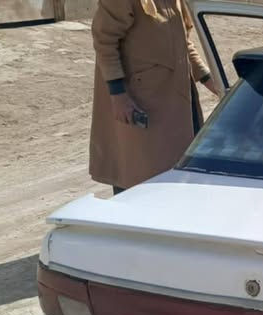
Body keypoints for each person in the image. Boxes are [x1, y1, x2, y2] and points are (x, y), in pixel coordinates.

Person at [89, 0, 224, 194]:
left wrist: (211, 81)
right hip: (139, 103)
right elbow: (105, 41)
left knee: (177, 177)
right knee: (138, 178)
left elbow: (183, 43)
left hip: (175, 103)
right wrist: (118, 96)